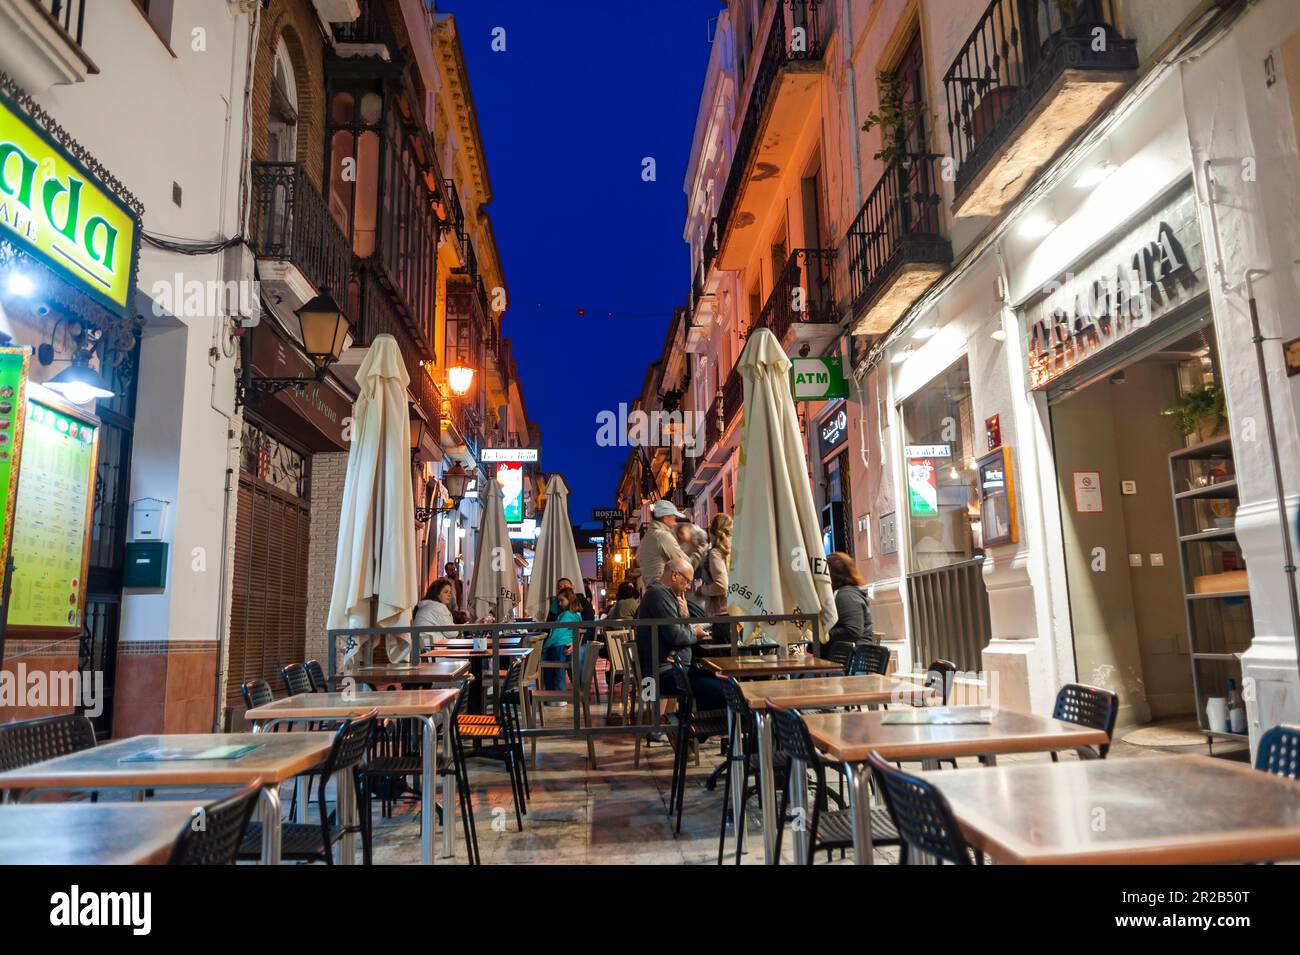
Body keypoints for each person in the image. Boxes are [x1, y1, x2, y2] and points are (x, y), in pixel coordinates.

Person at [826, 552, 872, 652]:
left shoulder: (846, 596)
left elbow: (853, 631)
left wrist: (824, 635)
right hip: (848, 657)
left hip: (849, 659)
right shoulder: (846, 594)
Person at [636, 500, 688, 585]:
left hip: (652, 587)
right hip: (663, 587)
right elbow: (685, 564)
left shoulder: (647, 537)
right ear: (665, 518)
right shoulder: (663, 536)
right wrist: (698, 550)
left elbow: (639, 559)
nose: (675, 523)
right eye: (673, 518)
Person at [542, 587, 581, 692]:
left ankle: (556, 696)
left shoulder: (566, 615)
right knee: (559, 672)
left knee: (557, 672)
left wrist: (545, 646)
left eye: (561, 600)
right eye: (558, 601)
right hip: (566, 645)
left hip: (559, 645)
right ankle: (555, 694)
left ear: (570, 600)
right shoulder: (576, 615)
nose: (559, 603)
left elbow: (557, 633)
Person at [413, 578, 458, 647]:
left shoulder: (425, 606)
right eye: (446, 592)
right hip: (434, 649)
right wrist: (459, 631)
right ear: (437, 593)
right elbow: (451, 633)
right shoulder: (438, 607)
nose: (449, 595)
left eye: (450, 592)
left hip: (422, 648)